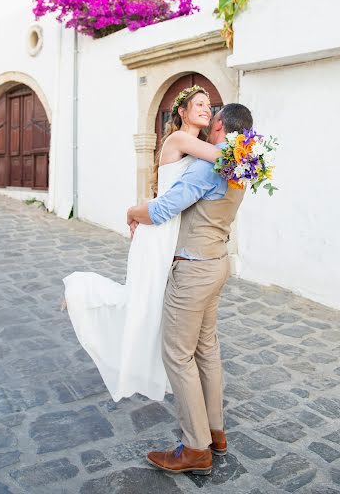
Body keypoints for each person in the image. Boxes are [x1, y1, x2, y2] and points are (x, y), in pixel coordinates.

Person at [63, 85, 223, 402]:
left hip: (170, 232)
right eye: (200, 104)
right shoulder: (180, 140)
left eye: (209, 105)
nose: (207, 108)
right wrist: (252, 152)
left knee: (155, 305)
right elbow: (223, 157)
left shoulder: (196, 145)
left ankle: (158, 369)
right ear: (182, 112)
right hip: (158, 232)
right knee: (141, 300)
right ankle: (81, 292)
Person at [127, 102, 253, 475]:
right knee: (206, 350)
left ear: (217, 126)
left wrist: (133, 213)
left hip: (194, 269)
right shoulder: (240, 164)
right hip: (217, 263)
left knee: (178, 356)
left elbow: (164, 209)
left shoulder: (206, 166)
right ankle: (216, 434)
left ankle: (195, 448)